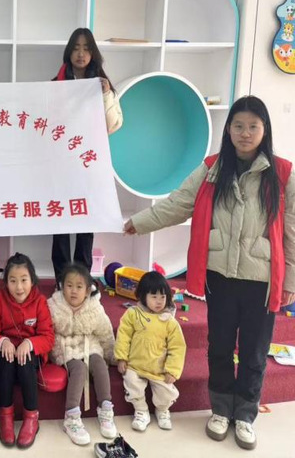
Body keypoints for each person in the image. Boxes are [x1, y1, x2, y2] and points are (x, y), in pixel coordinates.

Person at [124, 96, 295, 450]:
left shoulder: (282, 174)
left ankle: (245, 415)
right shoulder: (212, 169)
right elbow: (177, 204)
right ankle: (220, 410)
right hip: (220, 276)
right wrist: (137, 223)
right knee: (219, 347)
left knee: (254, 352)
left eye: (253, 126)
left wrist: (291, 280)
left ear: (265, 130)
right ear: (228, 129)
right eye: (238, 126)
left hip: (262, 282)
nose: (245, 133)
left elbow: (292, 233)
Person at [51, 27, 123, 284]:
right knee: (60, 221)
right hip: (61, 165)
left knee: (86, 220)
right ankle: (62, 280)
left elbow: (113, 125)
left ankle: (81, 279)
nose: (81, 54)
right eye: (76, 48)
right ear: (68, 52)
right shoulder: (55, 85)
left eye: (86, 48)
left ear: (93, 53)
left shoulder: (102, 86)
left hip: (89, 164)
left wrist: (104, 95)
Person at [0, 253, 55, 449]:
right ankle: (5, 417)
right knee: (6, 360)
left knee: (25, 361)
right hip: (6, 354)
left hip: (30, 354)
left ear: (32, 280)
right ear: (6, 282)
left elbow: (48, 337)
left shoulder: (40, 301)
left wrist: (30, 343)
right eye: (13, 281)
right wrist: (2, 342)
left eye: (24, 280)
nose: (19, 287)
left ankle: (32, 417)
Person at [47, 263, 117, 445]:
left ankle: (105, 409)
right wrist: (49, 354)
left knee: (99, 364)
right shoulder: (53, 305)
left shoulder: (94, 307)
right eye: (69, 285)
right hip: (65, 347)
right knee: (79, 368)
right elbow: (47, 332)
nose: (73, 291)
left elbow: (105, 332)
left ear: (87, 290)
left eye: (79, 287)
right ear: (62, 286)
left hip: (89, 343)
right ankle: (71, 417)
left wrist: (112, 355)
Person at [114, 271, 186, 432]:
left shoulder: (170, 322)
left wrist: (172, 370)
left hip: (158, 369)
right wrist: (121, 358)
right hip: (135, 365)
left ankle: (162, 410)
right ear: (143, 296)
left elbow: (177, 347)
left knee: (166, 392)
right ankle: (141, 411)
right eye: (154, 297)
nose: (159, 301)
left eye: (162, 297)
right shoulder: (133, 314)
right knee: (131, 383)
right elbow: (123, 336)